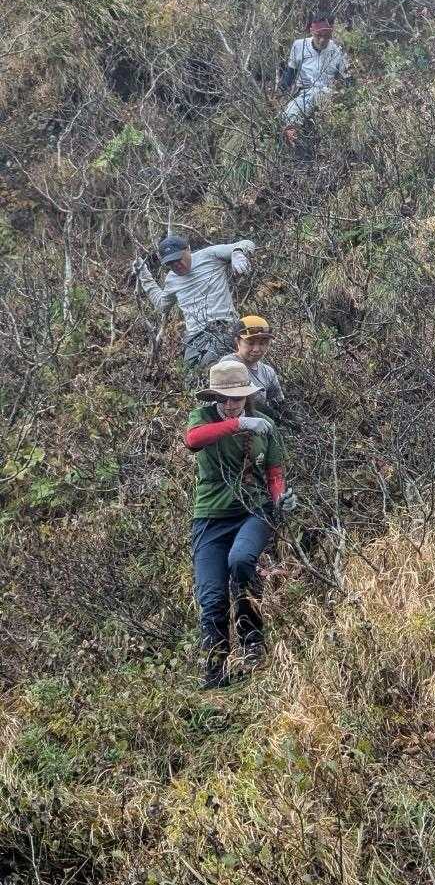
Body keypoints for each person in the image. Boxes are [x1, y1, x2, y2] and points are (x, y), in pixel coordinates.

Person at [184, 357, 298, 689]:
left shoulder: (265, 424)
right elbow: (194, 440)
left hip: (253, 510)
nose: (232, 404)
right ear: (215, 397)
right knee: (211, 595)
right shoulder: (203, 418)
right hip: (209, 517)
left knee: (241, 560)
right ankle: (215, 672)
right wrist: (239, 424)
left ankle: (252, 642)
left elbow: (274, 472)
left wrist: (281, 497)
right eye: (225, 398)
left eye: (238, 398)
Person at [133, 234, 255, 369]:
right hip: (194, 337)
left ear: (188, 249)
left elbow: (247, 243)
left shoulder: (210, 255)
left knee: (211, 365)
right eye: (170, 263)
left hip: (223, 327)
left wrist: (237, 253)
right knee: (189, 373)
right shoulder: (171, 279)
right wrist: (144, 275)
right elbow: (162, 305)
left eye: (178, 259)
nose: (176, 265)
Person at [279, 16, 350, 145]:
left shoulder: (337, 49)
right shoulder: (299, 46)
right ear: (312, 31)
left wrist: (344, 94)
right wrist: (281, 92)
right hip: (302, 91)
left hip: (327, 92)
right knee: (285, 113)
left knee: (305, 102)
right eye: (318, 35)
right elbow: (290, 73)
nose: (322, 40)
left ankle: (293, 129)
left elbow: (346, 78)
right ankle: (293, 137)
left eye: (326, 36)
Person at [230, 315, 286, 419]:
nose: (256, 349)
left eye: (262, 343)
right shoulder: (229, 365)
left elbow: (279, 404)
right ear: (237, 341)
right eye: (250, 343)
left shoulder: (268, 372)